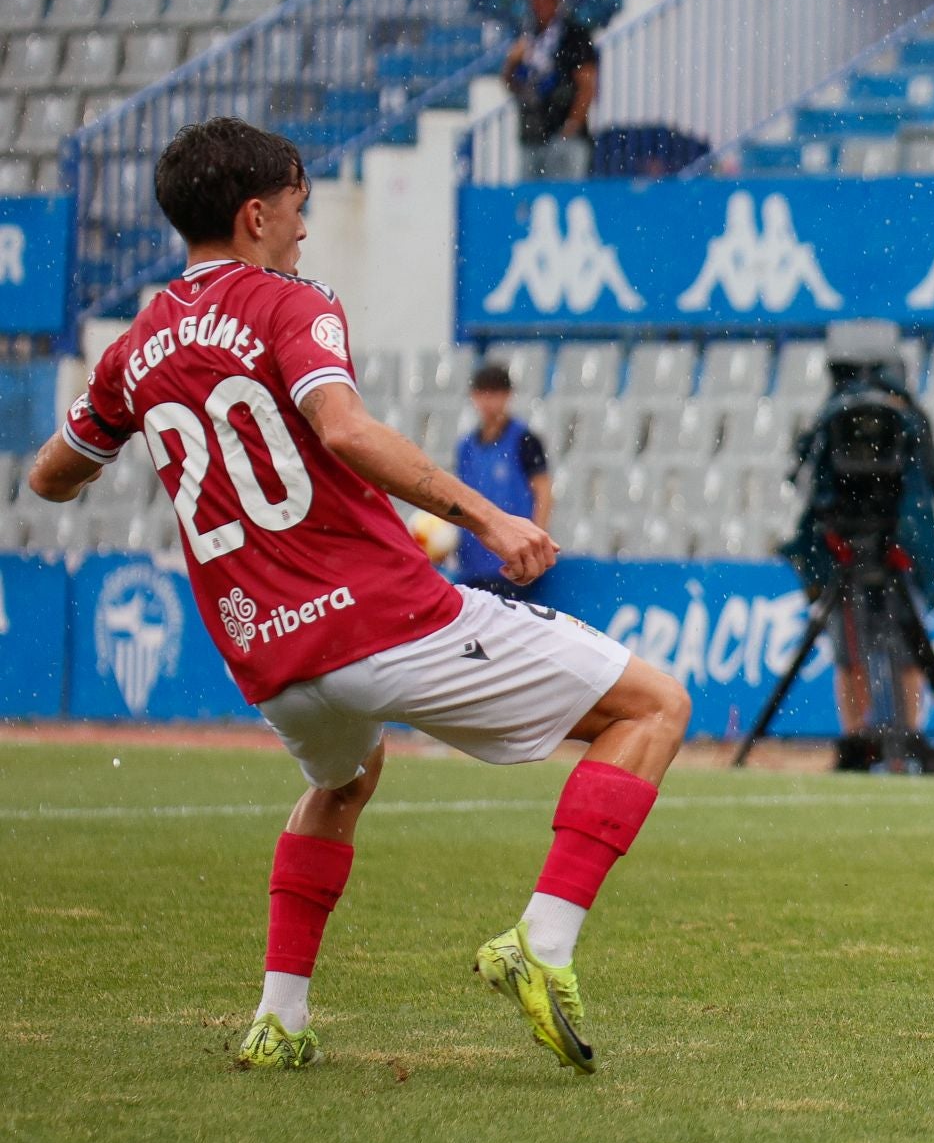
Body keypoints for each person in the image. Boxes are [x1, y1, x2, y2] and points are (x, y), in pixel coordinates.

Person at [26, 118, 690, 1074]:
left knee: (343, 779)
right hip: (386, 621)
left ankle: (281, 1018)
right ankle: (540, 947)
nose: (304, 232)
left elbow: (52, 477)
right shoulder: (290, 303)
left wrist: (106, 428)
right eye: (298, 210)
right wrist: (491, 519)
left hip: (272, 660)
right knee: (655, 706)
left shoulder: (134, 347)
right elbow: (341, 430)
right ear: (256, 214)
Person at [780, 320, 934, 744]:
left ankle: (889, 736)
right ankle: (864, 739)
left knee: (898, 651)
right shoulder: (894, 418)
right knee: (856, 651)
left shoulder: (886, 419)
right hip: (852, 550)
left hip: (889, 548)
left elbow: (808, 483)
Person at [454, 362, 552, 598]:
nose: (488, 402)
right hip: (473, 561)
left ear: (508, 396)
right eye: (482, 393)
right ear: (473, 396)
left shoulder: (524, 439)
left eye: (495, 393)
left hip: (512, 559)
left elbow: (544, 491)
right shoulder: (466, 446)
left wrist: (535, 543)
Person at [502, 0, 599, 182]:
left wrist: (570, 127)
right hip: (532, 135)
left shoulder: (575, 35)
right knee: (531, 203)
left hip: (565, 138)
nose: (539, 2)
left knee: (563, 199)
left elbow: (587, 84)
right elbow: (511, 85)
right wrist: (512, 62)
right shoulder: (527, 36)